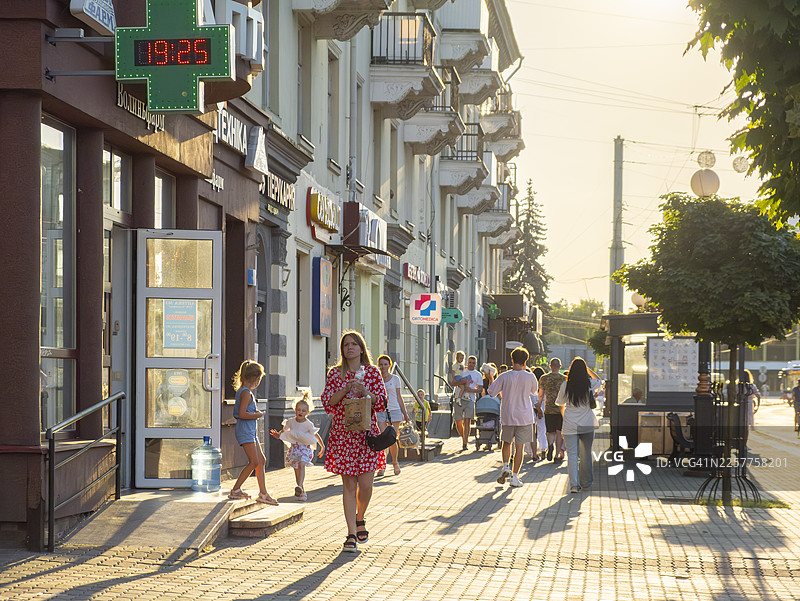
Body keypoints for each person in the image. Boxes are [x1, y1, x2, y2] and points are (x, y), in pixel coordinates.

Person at [321, 331, 387, 553]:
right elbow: (328, 403)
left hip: (366, 436)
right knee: (349, 485)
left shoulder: (372, 372)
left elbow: (381, 403)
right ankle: (350, 533)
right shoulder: (335, 374)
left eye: (353, 344)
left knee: (366, 485)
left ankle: (360, 517)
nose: (349, 348)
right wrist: (345, 389)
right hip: (344, 436)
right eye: (346, 345)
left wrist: (365, 391)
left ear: (361, 348)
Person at [228, 360, 279, 505]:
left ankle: (263, 493)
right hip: (245, 432)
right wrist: (258, 415)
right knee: (254, 462)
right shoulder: (246, 393)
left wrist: (255, 413)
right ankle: (236, 490)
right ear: (256, 379)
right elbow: (242, 414)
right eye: (259, 379)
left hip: (250, 431)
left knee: (261, 461)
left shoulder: (245, 392)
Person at [488, 347, 538, 488]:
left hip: (508, 414)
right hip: (524, 416)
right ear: (525, 361)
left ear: (512, 359)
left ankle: (505, 467)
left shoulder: (504, 376)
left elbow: (492, 392)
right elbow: (534, 393)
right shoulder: (530, 376)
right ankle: (515, 477)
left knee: (506, 443)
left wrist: (491, 377)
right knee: (519, 447)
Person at [270, 392, 325, 502]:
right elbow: (284, 431)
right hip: (294, 449)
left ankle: (299, 487)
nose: (300, 412)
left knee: (301, 464)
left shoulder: (308, 424)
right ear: (295, 410)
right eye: (299, 410)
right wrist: (278, 435)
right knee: (297, 470)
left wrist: (322, 446)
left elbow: (315, 434)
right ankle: (301, 491)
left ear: (307, 412)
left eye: (303, 411)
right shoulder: (291, 421)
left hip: (304, 449)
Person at [556, 357, 600, 493]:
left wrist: (565, 418)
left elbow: (560, 404)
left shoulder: (565, 385)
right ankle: (586, 483)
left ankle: (574, 485)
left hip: (570, 423)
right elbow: (599, 380)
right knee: (586, 453)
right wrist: (588, 370)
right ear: (584, 370)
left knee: (573, 456)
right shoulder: (589, 383)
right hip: (586, 423)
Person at [376, 354, 410, 476]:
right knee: (382, 438)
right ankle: (382, 465)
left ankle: (395, 462)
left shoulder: (395, 379)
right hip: (380, 410)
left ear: (389, 365)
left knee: (391, 438)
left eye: (385, 364)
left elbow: (399, 397)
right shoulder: (376, 379)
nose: (383, 367)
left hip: (394, 410)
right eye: (381, 364)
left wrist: (405, 414)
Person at [538, 358, 566, 462]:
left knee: (550, 432)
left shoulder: (543, 378)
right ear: (560, 366)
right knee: (559, 432)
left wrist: (539, 407)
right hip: (561, 409)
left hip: (548, 409)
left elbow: (540, 395)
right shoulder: (564, 379)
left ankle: (550, 445)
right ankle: (557, 455)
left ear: (550, 366)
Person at [455, 355, 484, 451]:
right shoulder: (462, 371)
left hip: (470, 400)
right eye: (470, 362)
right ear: (467, 362)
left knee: (467, 421)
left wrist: (471, 390)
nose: (471, 364)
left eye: (473, 363)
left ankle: (465, 443)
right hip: (459, 397)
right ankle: (464, 437)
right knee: (458, 421)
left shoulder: (478, 374)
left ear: (476, 364)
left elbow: (480, 389)